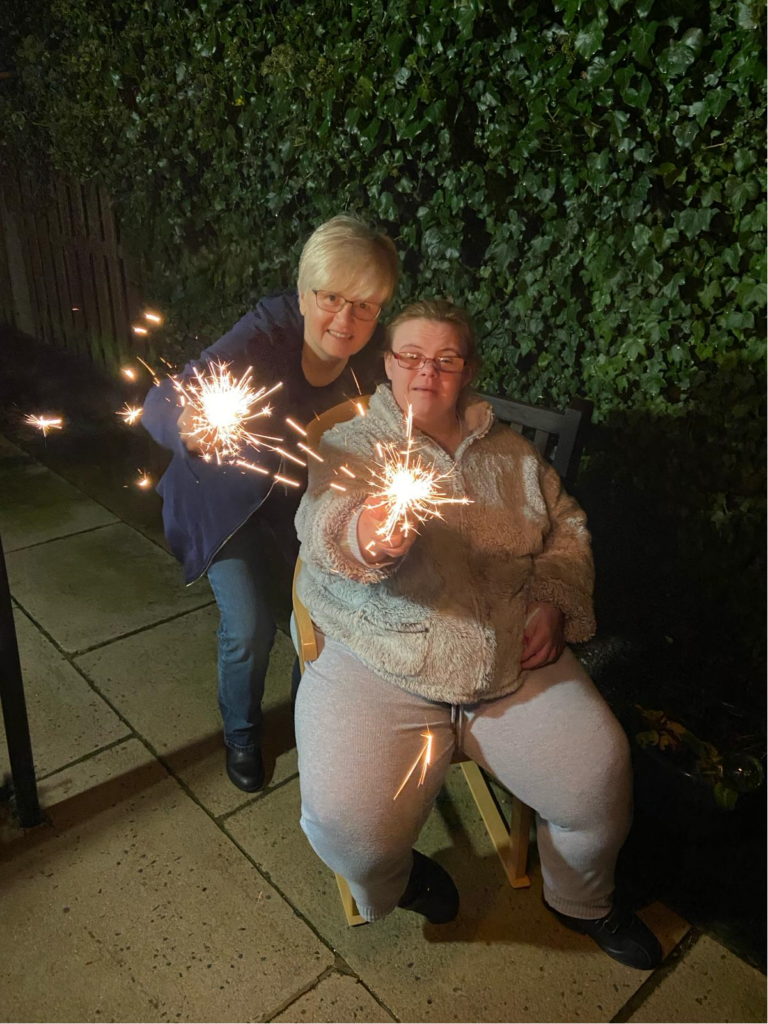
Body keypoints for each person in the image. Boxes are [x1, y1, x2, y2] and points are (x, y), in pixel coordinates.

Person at [293, 299, 662, 970]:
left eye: (445, 359)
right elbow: (325, 521)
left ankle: (580, 900)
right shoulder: (350, 446)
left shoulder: (514, 456)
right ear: (387, 363)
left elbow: (566, 530)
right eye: (410, 356)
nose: (425, 372)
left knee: (598, 781)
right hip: (383, 655)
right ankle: (399, 882)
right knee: (350, 831)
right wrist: (365, 537)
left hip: (509, 656)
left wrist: (552, 601)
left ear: (468, 371)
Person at [142, 216, 398, 793]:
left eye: (365, 305)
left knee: (325, 622)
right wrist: (184, 421)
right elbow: (167, 394)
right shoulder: (264, 331)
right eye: (331, 297)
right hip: (225, 504)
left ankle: (312, 724)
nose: (345, 319)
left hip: (301, 513)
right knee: (250, 623)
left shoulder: (372, 360)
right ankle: (242, 733)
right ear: (304, 293)